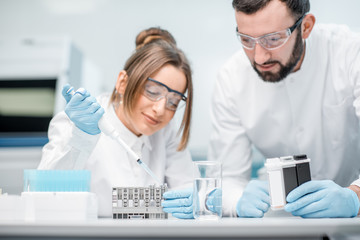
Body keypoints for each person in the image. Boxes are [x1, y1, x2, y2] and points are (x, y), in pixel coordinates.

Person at [207, 0, 360, 218]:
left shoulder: (351, 54)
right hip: (279, 216)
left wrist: (354, 197)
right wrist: (238, 199)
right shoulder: (231, 78)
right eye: (246, 40)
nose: (259, 56)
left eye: (273, 39)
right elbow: (227, 178)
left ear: (305, 27)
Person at [38, 27, 194, 218]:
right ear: (123, 82)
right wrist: (82, 138)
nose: (160, 110)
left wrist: (195, 199)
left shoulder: (165, 131)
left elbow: (186, 186)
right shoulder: (77, 122)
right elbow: (43, 197)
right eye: (152, 91)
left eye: (173, 102)